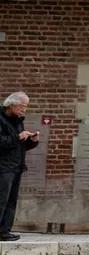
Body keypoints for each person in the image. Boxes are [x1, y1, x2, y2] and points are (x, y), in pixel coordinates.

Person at [0, 92, 41, 242]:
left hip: (16, 166)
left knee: (11, 201)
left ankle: (4, 230)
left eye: (25, 107)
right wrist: (17, 137)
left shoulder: (17, 120)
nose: (23, 110)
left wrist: (32, 141)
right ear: (11, 105)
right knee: (1, 199)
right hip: (3, 167)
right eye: (22, 107)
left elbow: (18, 147)